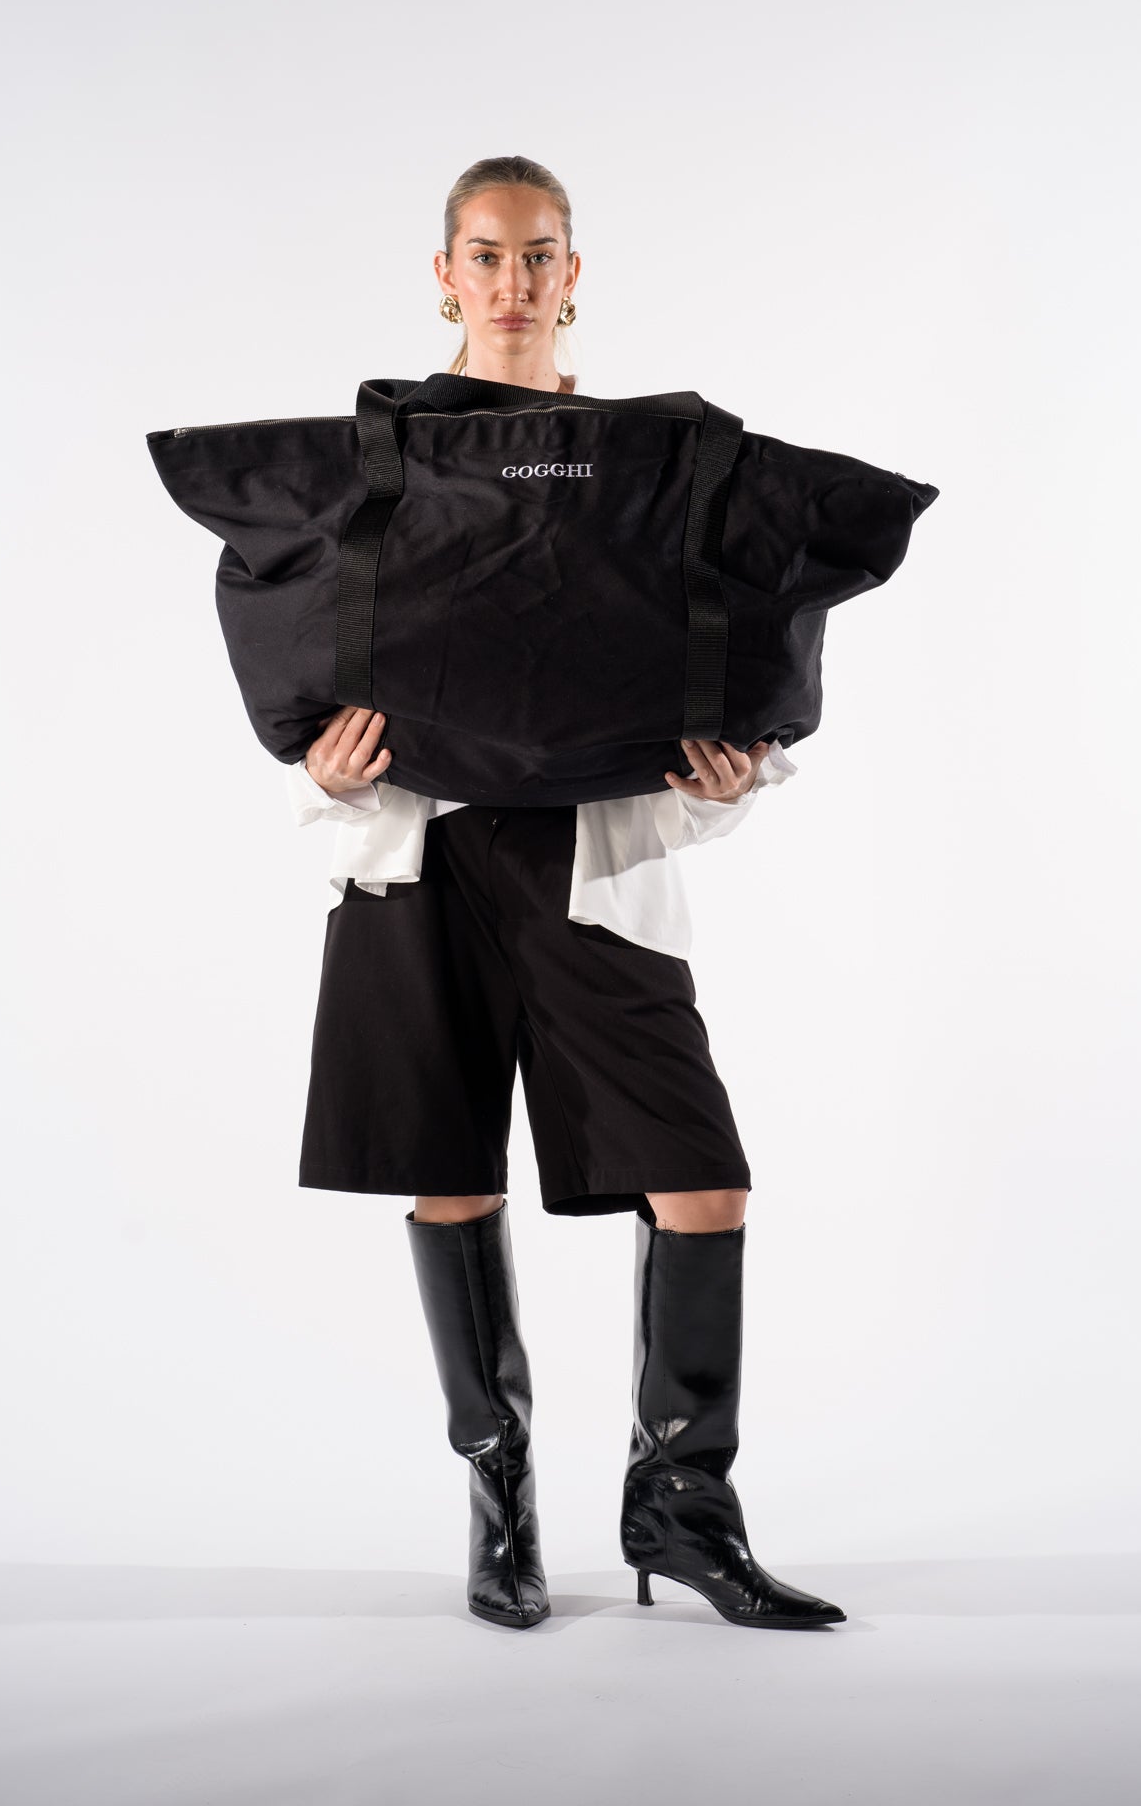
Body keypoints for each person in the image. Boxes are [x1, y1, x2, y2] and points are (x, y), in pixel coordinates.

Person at [291, 156, 846, 1634]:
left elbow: (708, 658)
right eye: (487, 253)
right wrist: (330, 773)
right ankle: (502, 1506)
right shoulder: (387, 466)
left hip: (591, 867)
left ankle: (683, 1509)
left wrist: (727, 776)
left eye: (540, 254)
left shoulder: (644, 475)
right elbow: (316, 665)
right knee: (453, 1175)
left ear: (574, 274)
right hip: (428, 861)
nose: (515, 280)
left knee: (703, 1180)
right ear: (445, 274)